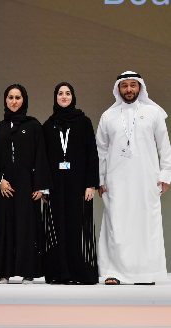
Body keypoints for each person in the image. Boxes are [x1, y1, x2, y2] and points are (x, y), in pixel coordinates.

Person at [96, 71, 171, 285]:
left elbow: (164, 146)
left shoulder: (154, 112)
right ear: (118, 89)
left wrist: (165, 174)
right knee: (116, 223)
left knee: (146, 223)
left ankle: (146, 274)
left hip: (147, 178)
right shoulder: (108, 116)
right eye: (125, 86)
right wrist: (100, 179)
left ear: (140, 88)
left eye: (133, 85)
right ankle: (114, 273)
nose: (129, 89)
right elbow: (100, 150)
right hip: (116, 180)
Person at [0, 84, 51, 284]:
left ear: (24, 100)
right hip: (5, 187)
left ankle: (27, 272)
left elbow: (41, 156)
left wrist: (40, 187)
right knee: (4, 227)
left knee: (27, 227)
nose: (14, 101)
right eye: (10, 97)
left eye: (18, 97)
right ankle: (3, 273)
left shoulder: (33, 126)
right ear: (5, 100)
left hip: (27, 186)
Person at [42, 82, 99, 285]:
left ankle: (79, 272)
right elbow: (43, 158)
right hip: (56, 185)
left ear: (73, 97)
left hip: (78, 184)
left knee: (77, 227)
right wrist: (45, 188)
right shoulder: (48, 125)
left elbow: (92, 154)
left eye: (67, 93)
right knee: (58, 227)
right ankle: (60, 272)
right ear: (55, 97)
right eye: (60, 93)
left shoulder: (84, 122)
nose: (64, 97)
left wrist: (91, 184)